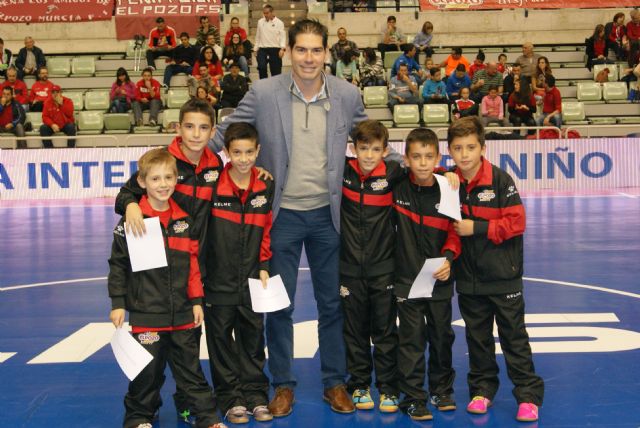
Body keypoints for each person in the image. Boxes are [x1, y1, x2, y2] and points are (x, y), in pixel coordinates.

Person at [210, 18, 373, 418]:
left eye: (316, 50)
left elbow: (371, 141)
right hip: (280, 217)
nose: (309, 58)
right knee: (279, 306)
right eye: (301, 49)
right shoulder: (263, 93)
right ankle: (283, 384)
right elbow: (223, 135)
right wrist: (174, 159)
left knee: (331, 303)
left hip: (327, 217)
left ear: (326, 53)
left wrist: (427, 172)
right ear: (286, 52)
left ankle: (334, 382)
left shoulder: (348, 95)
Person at [115, 99, 227, 425]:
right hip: (157, 276)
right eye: (189, 126)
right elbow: (126, 193)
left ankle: (187, 405)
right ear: (178, 128)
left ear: (213, 131)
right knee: (152, 357)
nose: (196, 134)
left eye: (203, 127)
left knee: (187, 349)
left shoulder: (215, 166)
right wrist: (130, 205)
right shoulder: (164, 161)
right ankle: (142, 411)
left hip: (195, 267)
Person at [447, 117, 544, 423]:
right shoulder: (449, 183)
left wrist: (476, 227)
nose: (464, 154)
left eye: (470, 147)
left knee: (514, 338)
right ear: (450, 151)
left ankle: (528, 396)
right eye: (458, 148)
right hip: (469, 279)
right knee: (477, 340)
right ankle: (482, 390)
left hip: (504, 277)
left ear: (482, 148)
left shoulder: (501, 181)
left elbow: (517, 223)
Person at [204, 122, 274, 425]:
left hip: (252, 279)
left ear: (258, 151)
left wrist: (264, 265)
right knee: (220, 341)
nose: (243, 159)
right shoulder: (212, 186)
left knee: (253, 339)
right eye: (237, 153)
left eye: (249, 152)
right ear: (226, 152)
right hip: (217, 280)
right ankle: (231, 399)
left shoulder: (265, 185)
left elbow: (267, 229)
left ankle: (256, 395)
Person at [394, 127, 461, 421]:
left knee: (442, 336)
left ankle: (441, 390)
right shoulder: (396, 186)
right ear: (406, 159)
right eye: (416, 156)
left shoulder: (448, 187)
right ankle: (412, 397)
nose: (423, 163)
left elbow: (455, 231)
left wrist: (449, 258)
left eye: (429, 156)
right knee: (410, 340)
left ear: (438, 158)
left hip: (439, 278)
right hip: (406, 280)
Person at [340, 120, 402, 413]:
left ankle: (388, 388)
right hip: (349, 269)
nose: (368, 155)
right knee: (355, 332)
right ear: (353, 149)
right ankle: (359, 385)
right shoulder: (341, 172)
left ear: (385, 151)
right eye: (363, 148)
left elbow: (424, 174)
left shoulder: (394, 173)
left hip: (383, 269)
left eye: (375, 149)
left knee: (385, 332)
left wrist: (447, 174)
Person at [254, 4, 286, 79]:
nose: (265, 15)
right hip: (262, 49)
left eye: (267, 13)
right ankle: (264, 84)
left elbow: (282, 37)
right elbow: (258, 35)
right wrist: (255, 48)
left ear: (272, 12)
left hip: (275, 49)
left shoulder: (279, 23)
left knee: (276, 72)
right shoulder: (260, 22)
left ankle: (275, 85)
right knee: (261, 67)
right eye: (264, 13)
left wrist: (282, 49)